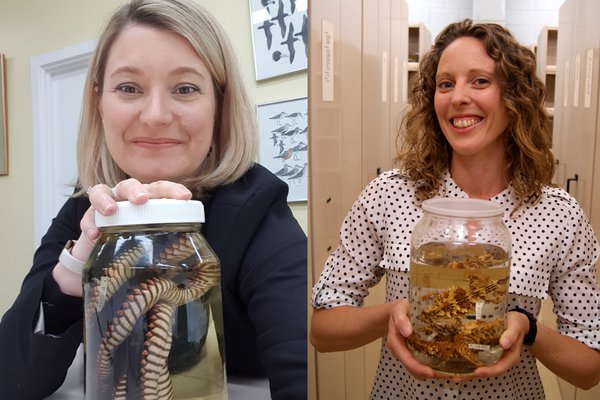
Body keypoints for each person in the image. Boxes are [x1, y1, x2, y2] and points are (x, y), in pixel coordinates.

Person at [0, 0, 307, 398]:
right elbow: (10, 379)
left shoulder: (256, 205)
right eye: (129, 88)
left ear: (219, 104)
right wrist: (75, 269)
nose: (156, 115)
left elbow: (306, 366)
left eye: (185, 88)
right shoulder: (85, 209)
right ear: (99, 103)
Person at [311, 19, 600, 399]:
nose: (458, 96)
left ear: (515, 97)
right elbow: (322, 329)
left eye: (480, 81)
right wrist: (392, 315)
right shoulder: (389, 195)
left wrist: (527, 329)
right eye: (446, 84)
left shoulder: (558, 215)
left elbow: (589, 367)